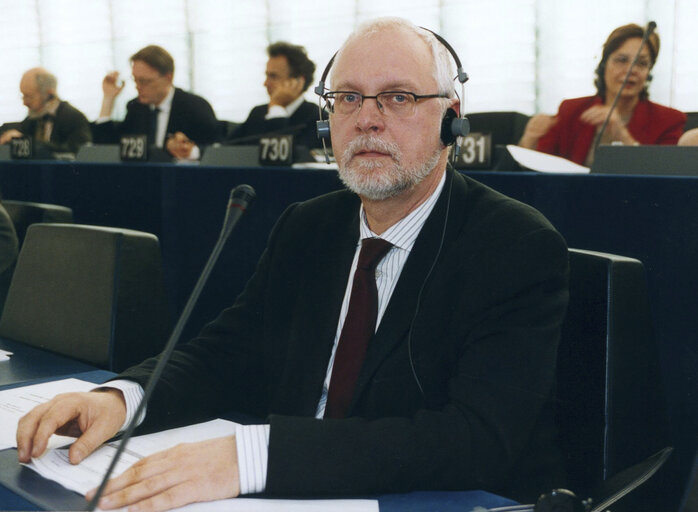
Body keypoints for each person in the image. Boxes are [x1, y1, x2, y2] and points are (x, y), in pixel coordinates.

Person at [17, 17, 569, 511]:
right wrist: (123, 398)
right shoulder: (308, 225)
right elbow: (226, 353)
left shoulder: (514, 244)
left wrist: (252, 457)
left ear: (451, 120)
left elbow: (474, 439)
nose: (367, 120)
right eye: (348, 98)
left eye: (397, 98)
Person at [518, 23, 686, 166]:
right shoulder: (571, 110)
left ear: (648, 73)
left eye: (641, 63)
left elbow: (662, 176)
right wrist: (529, 141)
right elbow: (541, 166)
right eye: (622, 60)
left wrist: (623, 136)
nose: (631, 70)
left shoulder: (669, 120)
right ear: (604, 65)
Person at [91, 45, 219, 160]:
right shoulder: (136, 108)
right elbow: (108, 150)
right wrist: (108, 99)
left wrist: (190, 152)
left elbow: (216, 151)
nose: (137, 87)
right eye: (135, 80)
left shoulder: (195, 107)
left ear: (168, 78)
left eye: (144, 81)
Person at [226, 42, 323, 150]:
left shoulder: (318, 118)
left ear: (298, 81)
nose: (265, 83)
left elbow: (283, 156)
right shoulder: (258, 113)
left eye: (273, 76)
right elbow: (225, 150)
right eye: (267, 75)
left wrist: (277, 108)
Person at [0, 68, 92, 155]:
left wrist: (29, 142)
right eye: (23, 96)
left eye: (29, 97)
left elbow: (77, 152)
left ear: (50, 95)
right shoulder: (32, 119)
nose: (24, 103)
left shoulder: (74, 118)